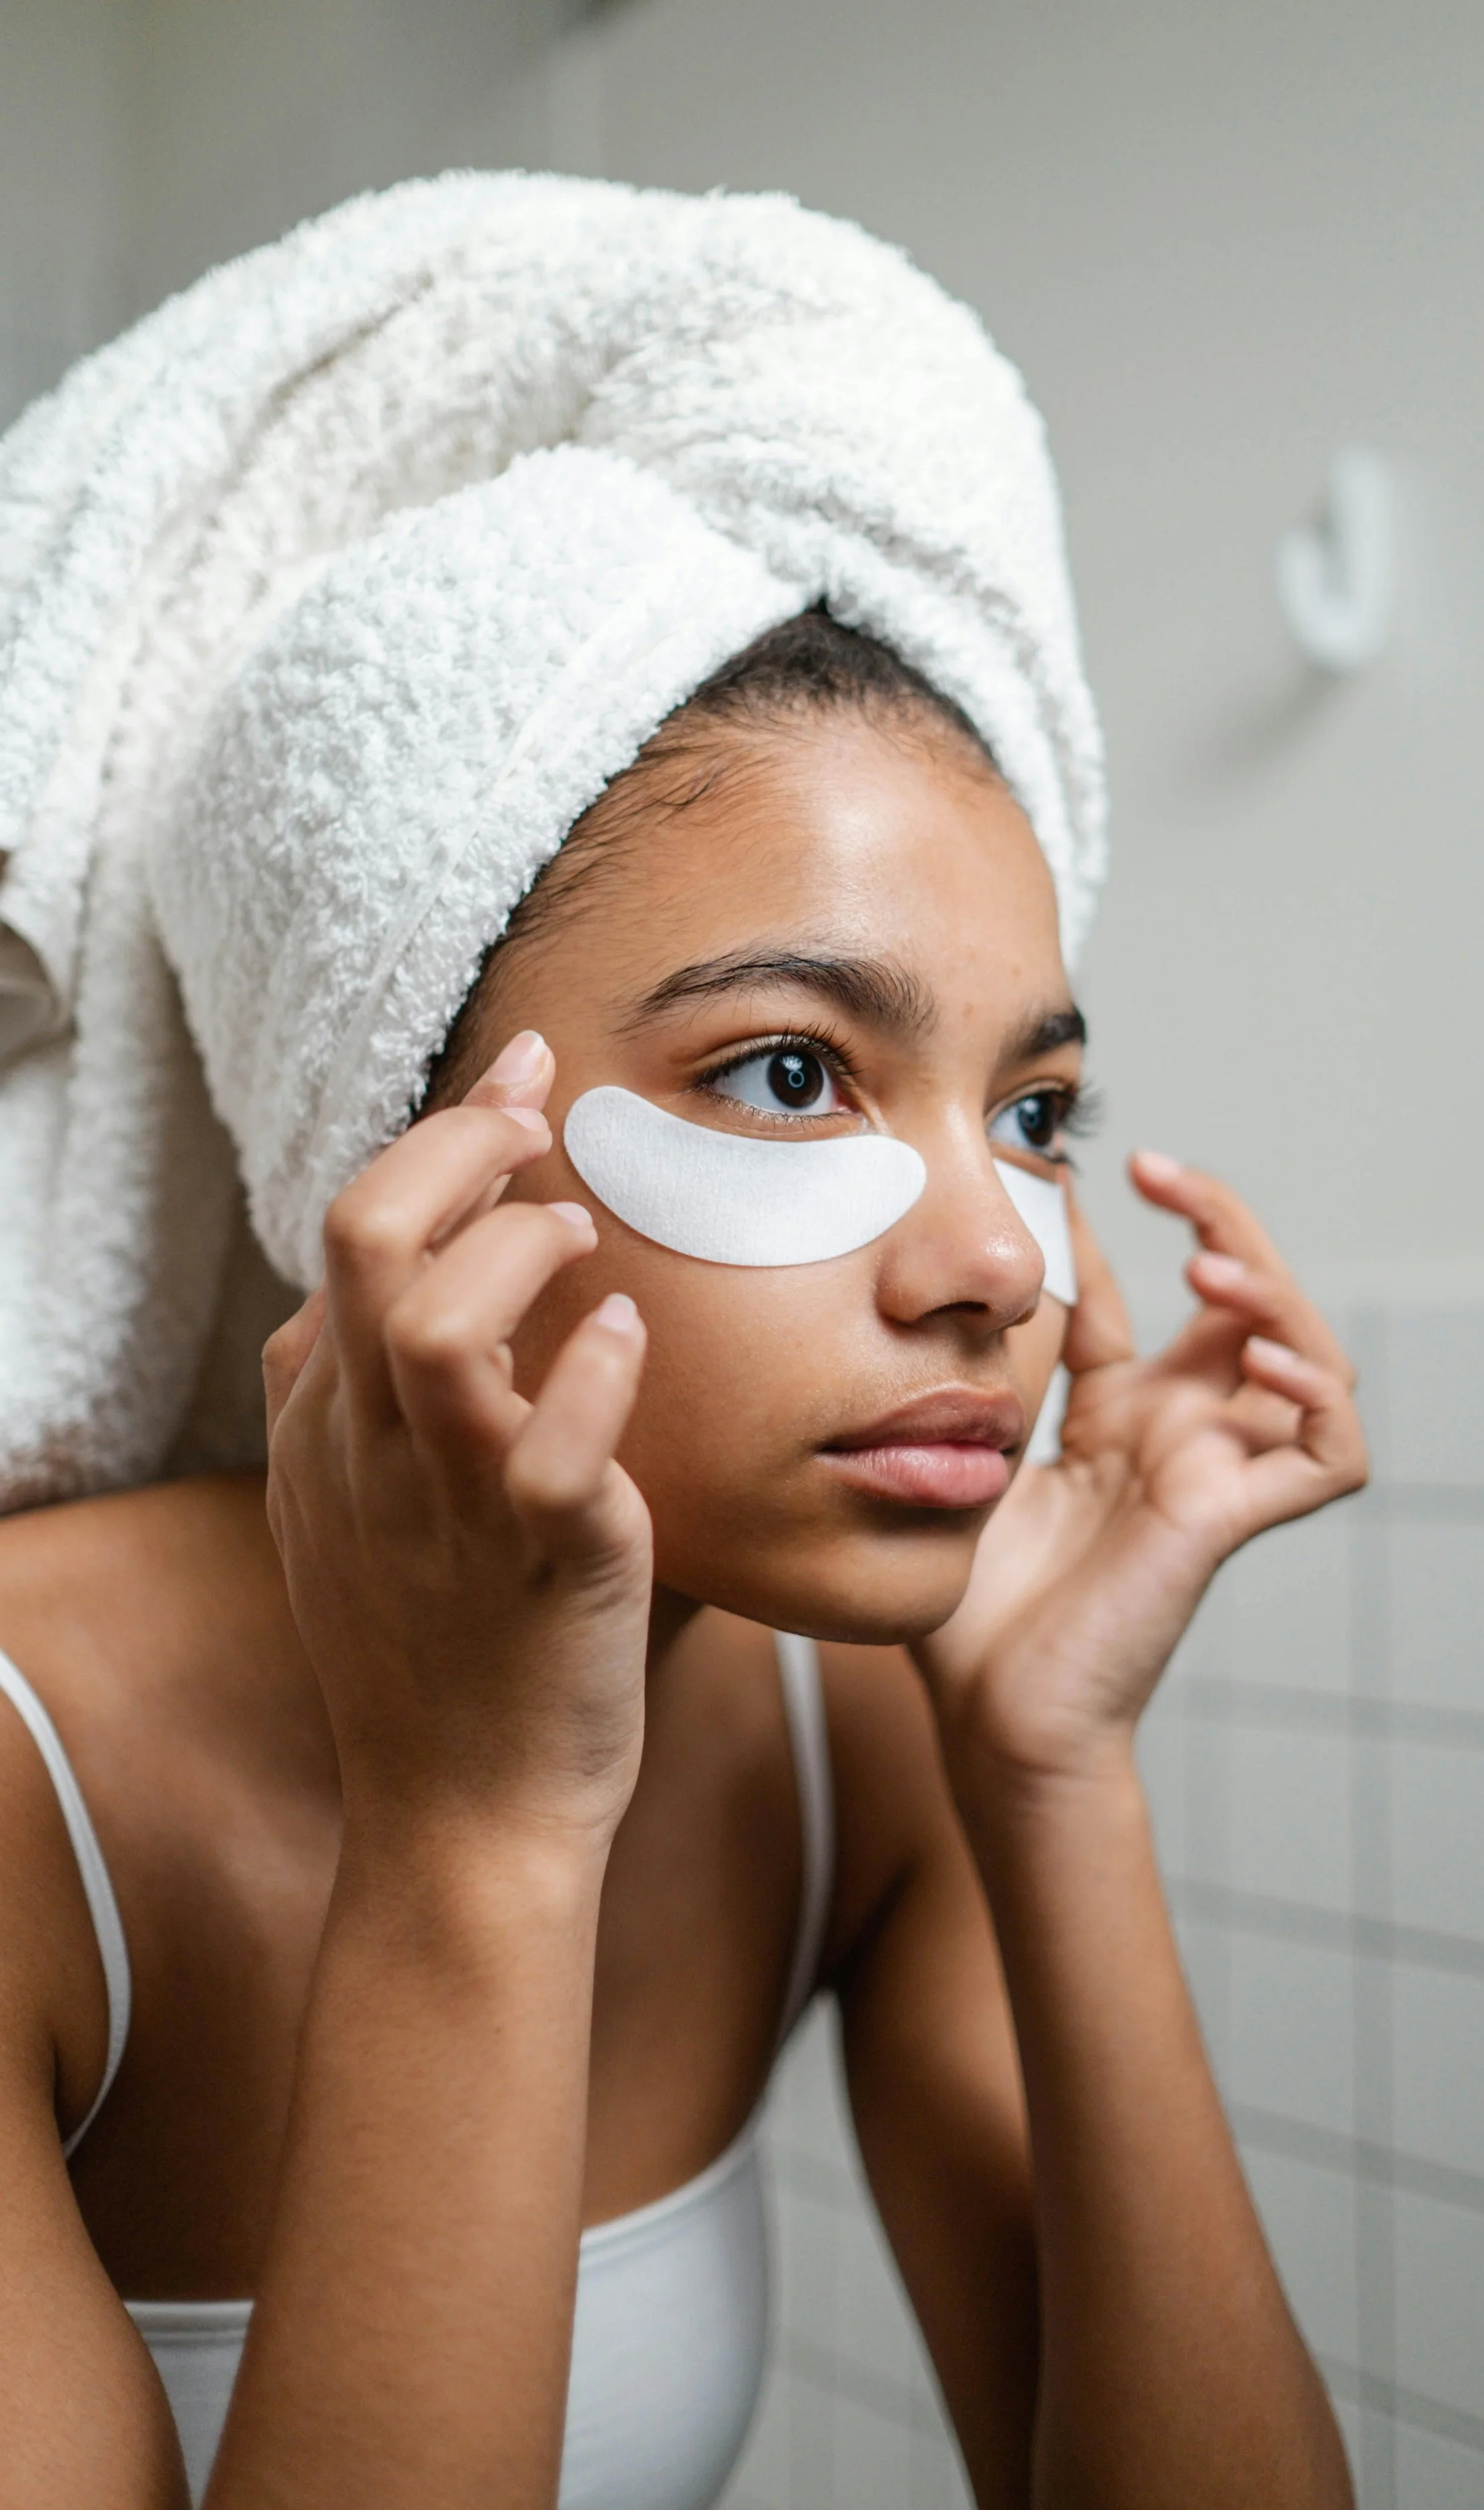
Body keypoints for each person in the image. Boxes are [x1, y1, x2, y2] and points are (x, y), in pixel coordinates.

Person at [0, 176, 1366, 2509]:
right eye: (788, 1071)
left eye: (1031, 1105)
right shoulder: (29, 1795)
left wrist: (1051, 1771)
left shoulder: (856, 1721)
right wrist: (472, 1842)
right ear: (397, 1152)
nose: (1002, 1263)